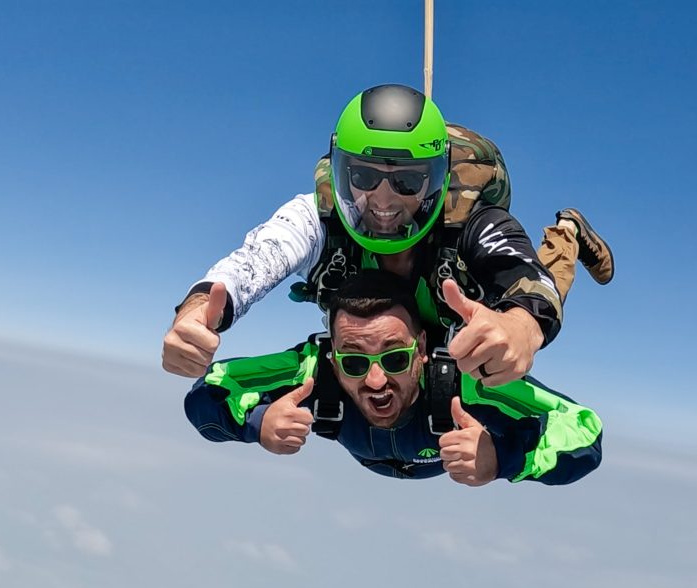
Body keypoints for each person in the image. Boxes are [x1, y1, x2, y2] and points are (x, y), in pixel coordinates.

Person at [163, 84, 614, 388]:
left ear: (434, 182)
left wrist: (520, 327)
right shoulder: (317, 217)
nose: (382, 199)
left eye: (406, 182)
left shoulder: (476, 221)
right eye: (362, 175)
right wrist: (198, 313)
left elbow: (526, 277)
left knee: (551, 276)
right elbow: (253, 261)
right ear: (340, 171)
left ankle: (569, 231)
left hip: (462, 303)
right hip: (414, 331)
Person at [184, 271, 603, 486]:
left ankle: (564, 233)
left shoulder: (461, 383)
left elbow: (584, 432)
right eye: (353, 363)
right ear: (332, 356)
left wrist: (504, 457)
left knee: (541, 289)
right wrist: (258, 426)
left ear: (422, 349)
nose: (376, 380)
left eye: (397, 358)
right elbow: (208, 391)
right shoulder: (314, 373)